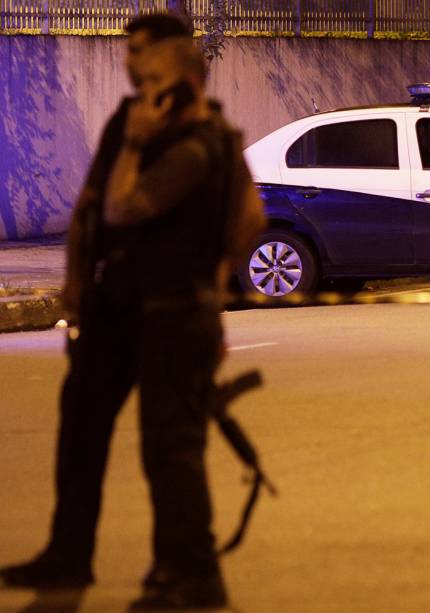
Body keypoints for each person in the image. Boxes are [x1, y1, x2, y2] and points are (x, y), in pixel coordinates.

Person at [0, 16, 266, 612]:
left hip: (173, 314)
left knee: (170, 447)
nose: (128, 63)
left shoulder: (204, 136)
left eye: (139, 52)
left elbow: (132, 207)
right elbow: (94, 206)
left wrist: (210, 286)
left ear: (172, 60)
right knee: (81, 430)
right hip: (116, 309)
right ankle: (68, 555)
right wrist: (74, 282)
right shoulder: (128, 119)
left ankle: (191, 575)